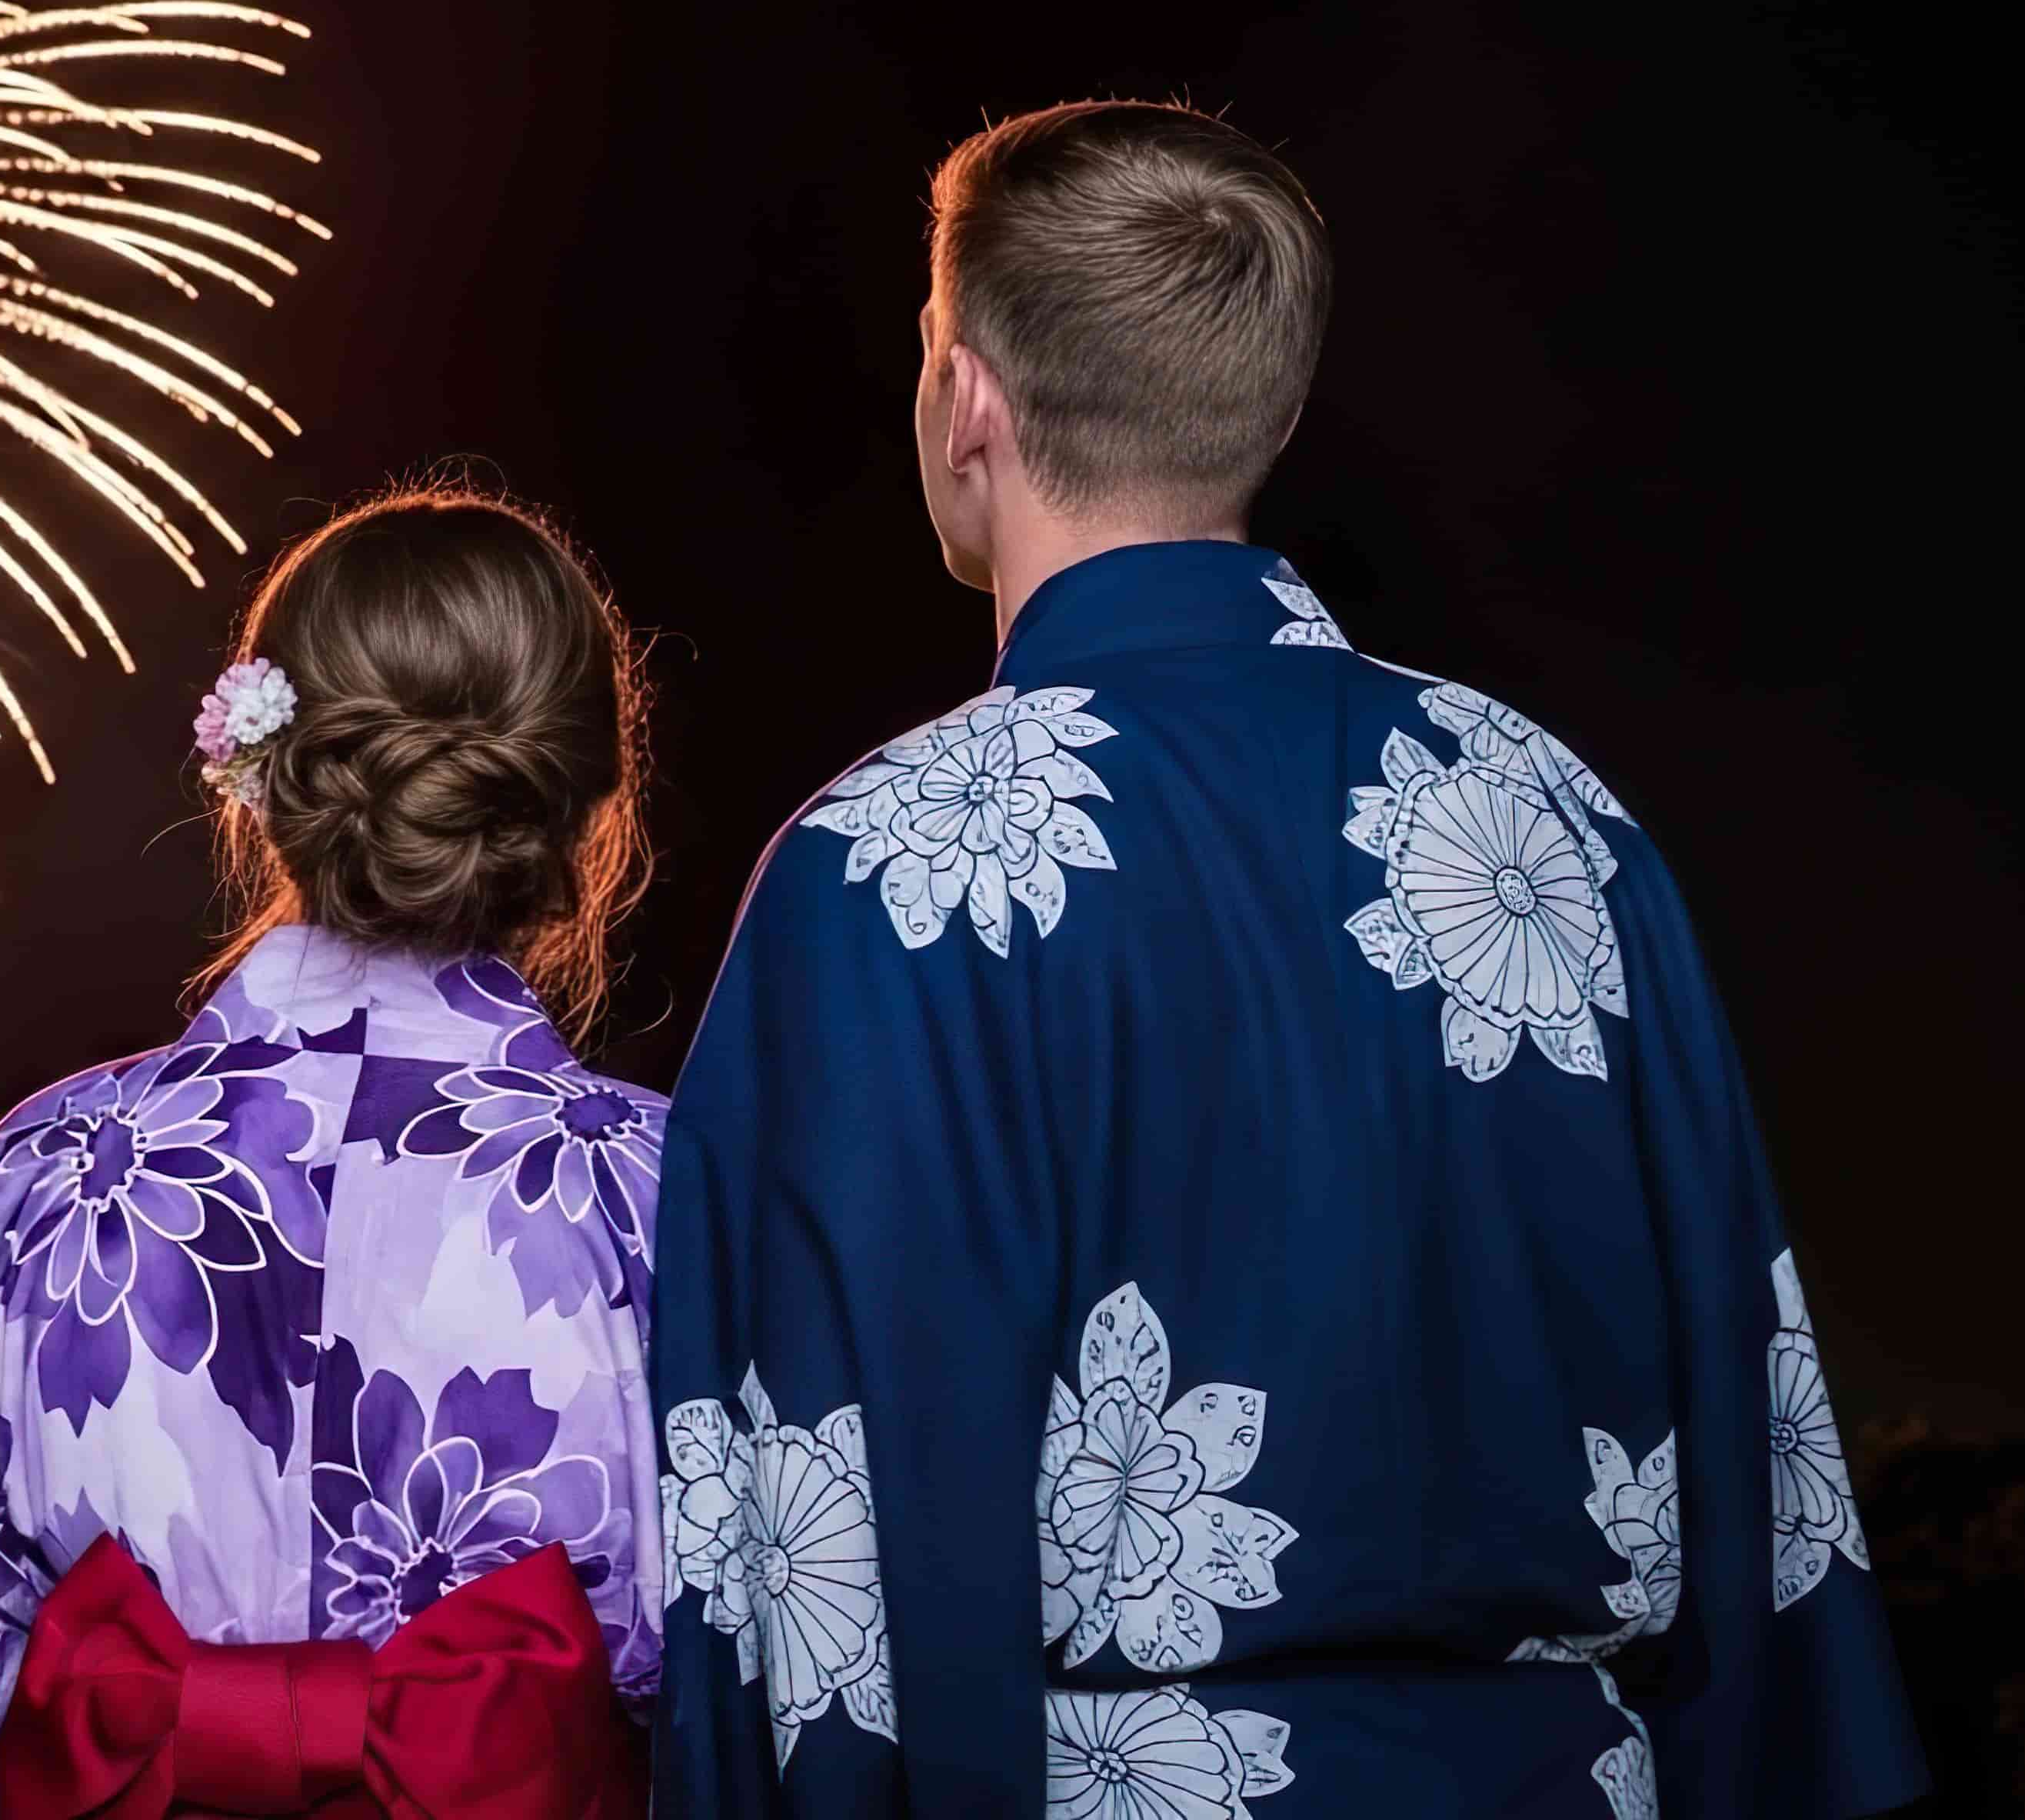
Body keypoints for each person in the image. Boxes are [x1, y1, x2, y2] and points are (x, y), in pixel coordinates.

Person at [647, 103, 1930, 1816]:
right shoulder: (1545, 815)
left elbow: (814, 1534)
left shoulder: (883, 871)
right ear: (1271, 402)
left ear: (965, 398)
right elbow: (1747, 1434)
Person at [0, 486, 673, 1820]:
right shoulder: (652, 1197)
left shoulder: (50, 1171)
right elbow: (776, 1682)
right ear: (584, 802)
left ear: (255, 773)